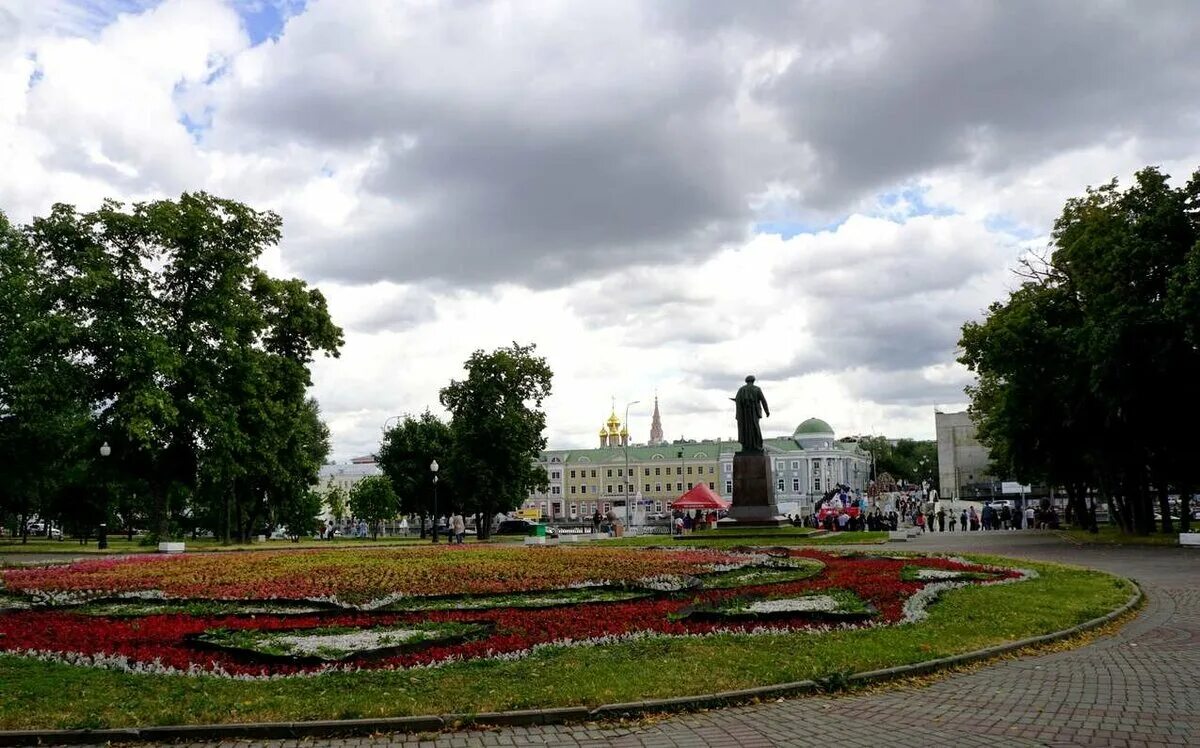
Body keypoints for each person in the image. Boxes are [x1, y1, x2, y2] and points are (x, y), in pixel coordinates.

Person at [732, 375, 770, 452]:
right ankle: (757, 446)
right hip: (754, 413)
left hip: (744, 415)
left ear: (746, 381)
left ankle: (745, 446)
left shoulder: (741, 389)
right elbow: (763, 401)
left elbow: (738, 400)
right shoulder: (757, 389)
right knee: (755, 428)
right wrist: (767, 411)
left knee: (745, 429)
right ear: (753, 381)